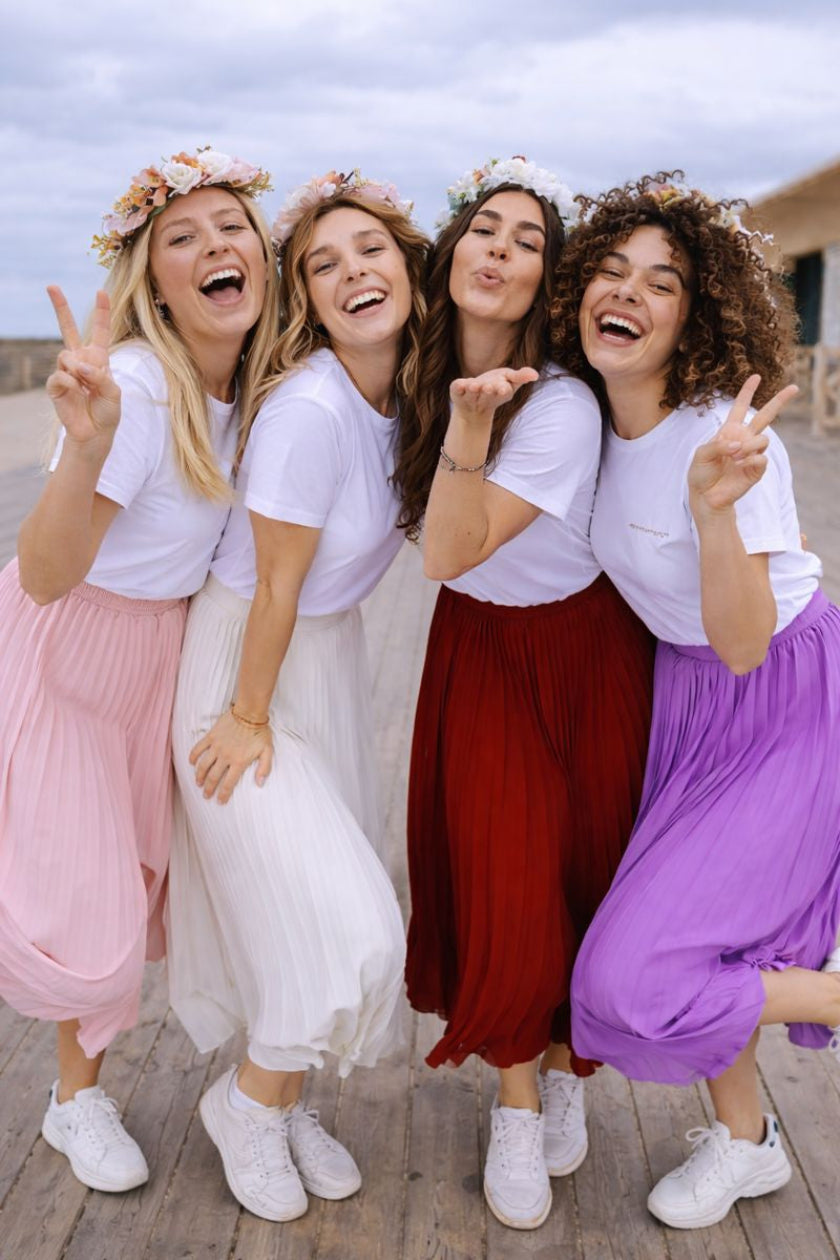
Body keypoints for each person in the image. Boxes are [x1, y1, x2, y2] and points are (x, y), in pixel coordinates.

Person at [553, 172, 840, 1230]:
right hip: (686, 697)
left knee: (630, 979)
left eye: (661, 282)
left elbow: (746, 635)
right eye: (611, 271)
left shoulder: (721, 435)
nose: (628, 292)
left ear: (695, 312)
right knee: (714, 941)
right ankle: (748, 1141)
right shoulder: (585, 415)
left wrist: (717, 511)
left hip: (775, 694)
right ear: (581, 290)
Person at [0, 147, 278, 1191]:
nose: (214, 246)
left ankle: (76, 1098)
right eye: (182, 236)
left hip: (155, 654)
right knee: (94, 919)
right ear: (152, 280)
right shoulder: (138, 391)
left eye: (231, 227)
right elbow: (46, 568)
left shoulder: (248, 389)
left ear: (261, 256)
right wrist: (83, 447)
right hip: (69, 647)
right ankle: (77, 1103)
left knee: (122, 884)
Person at [393, 158, 654, 1231]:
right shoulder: (401, 375)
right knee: (503, 870)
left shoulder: (559, 408)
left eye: (529, 238)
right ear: (453, 253)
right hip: (484, 653)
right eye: (484, 229)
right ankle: (510, 1097)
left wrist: (467, 423)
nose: (500, 247)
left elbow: (451, 544)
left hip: (587, 650)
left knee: (582, 867)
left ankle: (557, 1066)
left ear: (547, 282)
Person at [166, 170, 429, 1223]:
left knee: (303, 909)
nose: (352, 271)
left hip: (322, 656)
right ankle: (244, 1103)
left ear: (409, 267)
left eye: (370, 251)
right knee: (355, 925)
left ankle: (278, 1099)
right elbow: (273, 583)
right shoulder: (313, 409)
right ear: (306, 300)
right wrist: (244, 714)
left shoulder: (406, 392)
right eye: (322, 264)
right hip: (247, 669)